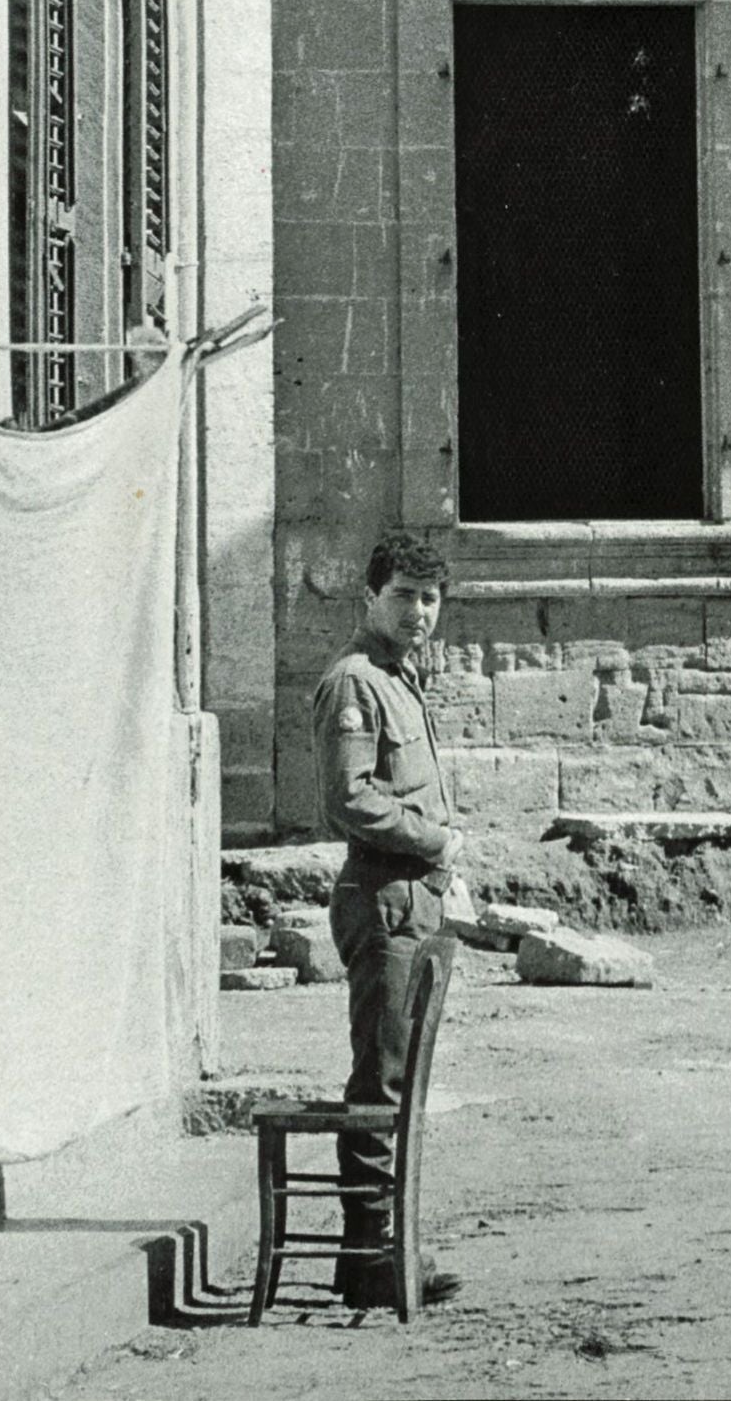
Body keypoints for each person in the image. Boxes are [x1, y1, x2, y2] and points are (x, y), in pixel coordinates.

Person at [312, 529, 463, 1308]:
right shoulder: (354, 682)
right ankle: (371, 1254)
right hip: (382, 902)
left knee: (401, 1082)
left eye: (430, 598)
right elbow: (350, 799)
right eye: (403, 595)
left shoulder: (402, 681)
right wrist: (435, 837)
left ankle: (382, 1247)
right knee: (380, 1079)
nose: (418, 612)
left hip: (418, 900)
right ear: (370, 596)